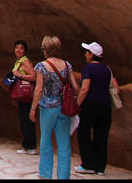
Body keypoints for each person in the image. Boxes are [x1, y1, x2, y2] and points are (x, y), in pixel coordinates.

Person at [30, 36, 79, 180]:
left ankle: (46, 174)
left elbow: (39, 90)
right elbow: (75, 87)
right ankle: (64, 176)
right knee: (64, 144)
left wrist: (33, 107)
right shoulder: (67, 65)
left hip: (47, 107)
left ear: (45, 49)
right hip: (64, 107)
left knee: (45, 141)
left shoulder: (41, 66)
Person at [74, 42, 120, 176]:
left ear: (91, 55)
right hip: (105, 106)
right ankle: (100, 167)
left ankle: (88, 164)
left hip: (90, 104)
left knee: (83, 132)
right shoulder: (107, 69)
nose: (85, 54)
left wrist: (77, 104)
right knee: (101, 136)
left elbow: (85, 88)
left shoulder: (88, 68)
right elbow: (116, 88)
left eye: (87, 51)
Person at [12, 39, 38, 155]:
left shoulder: (25, 62)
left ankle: (30, 145)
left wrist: (20, 75)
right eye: (17, 47)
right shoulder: (18, 61)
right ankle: (27, 144)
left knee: (27, 120)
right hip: (22, 95)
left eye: (21, 48)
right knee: (23, 120)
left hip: (27, 94)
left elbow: (34, 76)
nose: (18, 50)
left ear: (25, 51)